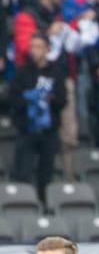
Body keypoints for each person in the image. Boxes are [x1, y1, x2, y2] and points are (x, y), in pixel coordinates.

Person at [12, 36, 66, 207]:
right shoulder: (22, 71)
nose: (34, 51)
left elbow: (63, 101)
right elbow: (13, 98)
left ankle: (44, 207)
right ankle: (23, 206)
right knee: (24, 172)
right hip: (27, 129)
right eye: (32, 46)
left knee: (46, 173)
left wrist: (50, 99)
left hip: (48, 130)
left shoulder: (56, 72)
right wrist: (30, 98)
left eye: (39, 47)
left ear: (47, 50)